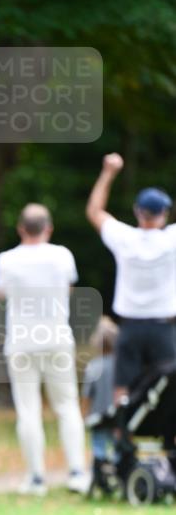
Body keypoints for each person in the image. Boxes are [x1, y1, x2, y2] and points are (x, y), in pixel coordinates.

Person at [0, 203, 89, 496]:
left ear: (21, 228)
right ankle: (76, 473)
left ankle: (36, 479)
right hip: (58, 338)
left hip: (22, 342)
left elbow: (0, 294)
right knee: (67, 406)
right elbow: (70, 288)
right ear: (48, 228)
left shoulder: (6, 260)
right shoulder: (62, 255)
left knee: (28, 410)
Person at [85, 153, 176, 405]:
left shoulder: (124, 238)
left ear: (137, 212)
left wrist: (108, 173)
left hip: (130, 326)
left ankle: (121, 436)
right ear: (164, 214)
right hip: (163, 326)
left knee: (122, 387)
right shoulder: (171, 240)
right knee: (171, 387)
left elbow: (94, 211)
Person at [82, 316, 118, 491]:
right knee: (117, 446)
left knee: (99, 447)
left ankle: (99, 476)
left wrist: (85, 415)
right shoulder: (122, 365)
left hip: (98, 417)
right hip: (118, 416)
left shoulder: (93, 367)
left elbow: (87, 395)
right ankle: (118, 473)